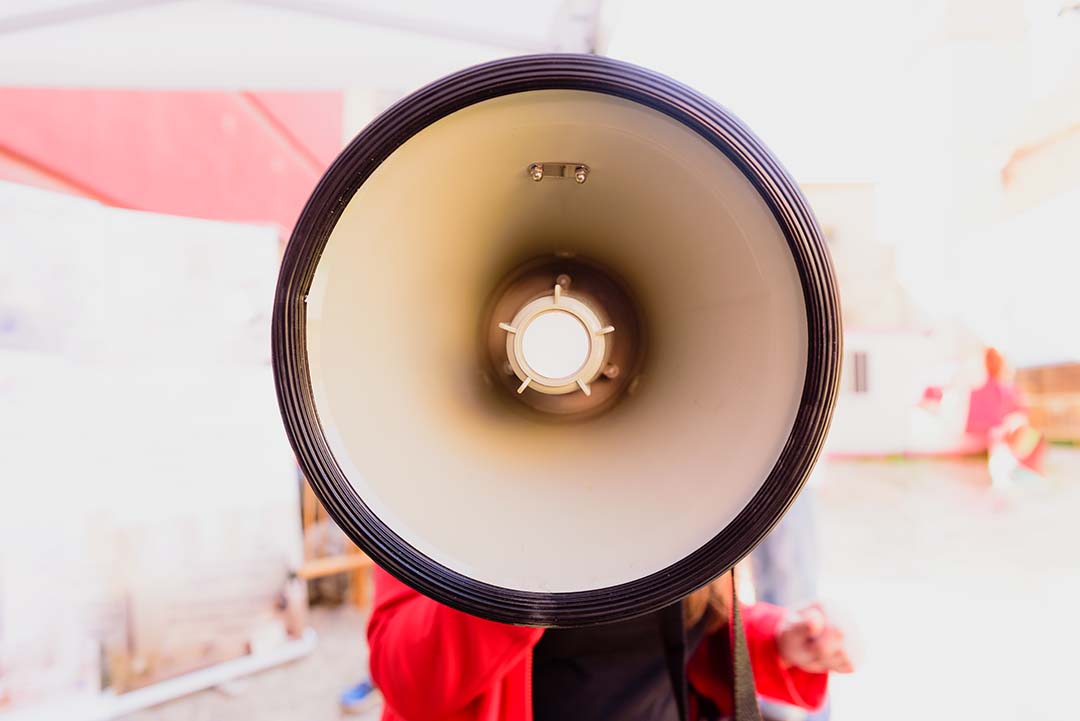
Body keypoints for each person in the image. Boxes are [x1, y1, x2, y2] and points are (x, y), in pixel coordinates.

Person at [367, 566, 853, 721]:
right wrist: (514, 572)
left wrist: (779, 640)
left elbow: (699, 619)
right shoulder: (432, 494)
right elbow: (406, 678)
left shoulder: (685, 484)